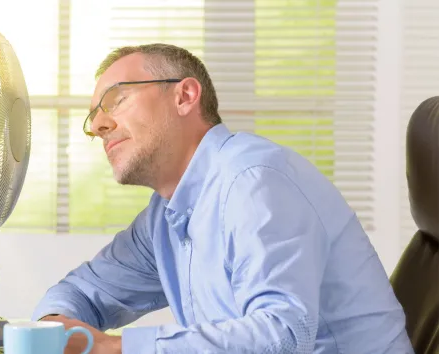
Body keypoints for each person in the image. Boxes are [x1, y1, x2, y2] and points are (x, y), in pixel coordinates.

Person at [31, 43, 413, 353]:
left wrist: (115, 348)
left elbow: (281, 334)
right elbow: (82, 291)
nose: (98, 126)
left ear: (185, 96)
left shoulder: (254, 181)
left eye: (116, 100)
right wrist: (53, 328)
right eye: (94, 116)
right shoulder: (163, 217)